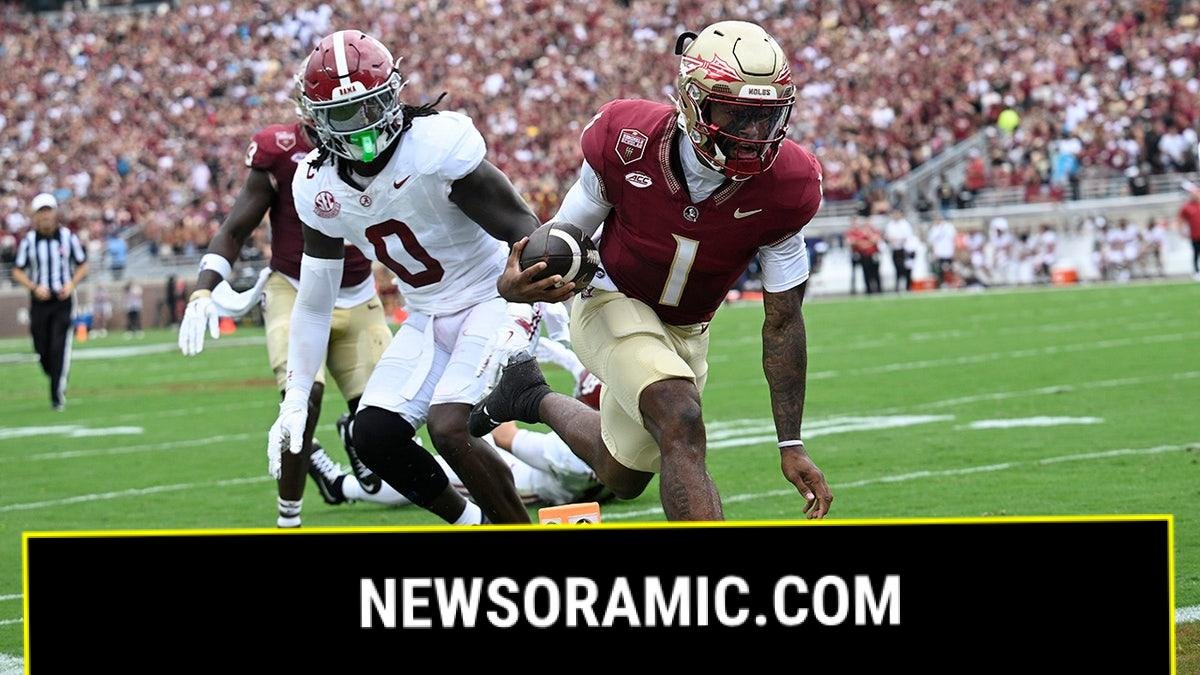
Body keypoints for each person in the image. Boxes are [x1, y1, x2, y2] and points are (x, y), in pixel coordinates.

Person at [476, 21, 833, 521]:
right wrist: (518, 283)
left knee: (621, 474)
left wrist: (790, 441)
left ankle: (529, 394)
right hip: (611, 298)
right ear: (692, 99)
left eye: (766, 117)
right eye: (736, 112)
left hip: (687, 330)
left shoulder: (789, 184)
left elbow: (783, 321)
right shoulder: (627, 139)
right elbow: (564, 237)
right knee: (680, 416)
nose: (753, 135)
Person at [275, 30, 572, 525]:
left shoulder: (435, 144)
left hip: (491, 296)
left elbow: (523, 229)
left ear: (394, 96)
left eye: (371, 108)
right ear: (317, 121)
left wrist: (544, 288)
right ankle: (471, 522)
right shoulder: (316, 185)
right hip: (428, 313)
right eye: (345, 116)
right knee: (372, 435)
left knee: (450, 426)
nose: (363, 128)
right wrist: (298, 396)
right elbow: (312, 302)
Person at [178, 56, 396, 528]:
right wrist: (202, 290)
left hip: (359, 293)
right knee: (303, 400)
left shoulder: (379, 145)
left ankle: (347, 459)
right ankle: (289, 519)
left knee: (387, 432)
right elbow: (236, 228)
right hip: (295, 291)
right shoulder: (278, 151)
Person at [12, 194, 89, 411]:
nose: (45, 216)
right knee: (41, 347)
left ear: (55, 213)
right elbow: (17, 271)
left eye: (49, 211)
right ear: (35, 216)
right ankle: (54, 373)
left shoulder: (68, 237)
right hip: (40, 301)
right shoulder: (29, 241)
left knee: (58, 346)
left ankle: (56, 395)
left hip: (62, 300)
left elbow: (83, 265)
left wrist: (71, 285)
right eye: (41, 212)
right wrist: (34, 287)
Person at [883, 209, 914, 291]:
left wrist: (897, 240)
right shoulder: (890, 225)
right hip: (895, 249)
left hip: (905, 250)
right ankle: (898, 287)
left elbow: (907, 237)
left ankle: (908, 287)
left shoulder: (905, 224)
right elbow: (887, 237)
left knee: (907, 268)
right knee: (897, 268)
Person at [927, 216, 957, 287]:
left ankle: (951, 283)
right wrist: (934, 252)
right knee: (940, 270)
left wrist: (954, 251)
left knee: (950, 269)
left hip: (949, 252)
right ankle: (941, 284)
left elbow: (953, 239)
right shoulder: (934, 229)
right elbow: (931, 241)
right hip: (939, 253)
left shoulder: (949, 227)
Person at [1179, 183, 1200, 281]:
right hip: (1195, 235)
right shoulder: (1187, 207)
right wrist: (1182, 232)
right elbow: (1180, 220)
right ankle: (1196, 271)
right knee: (1196, 253)